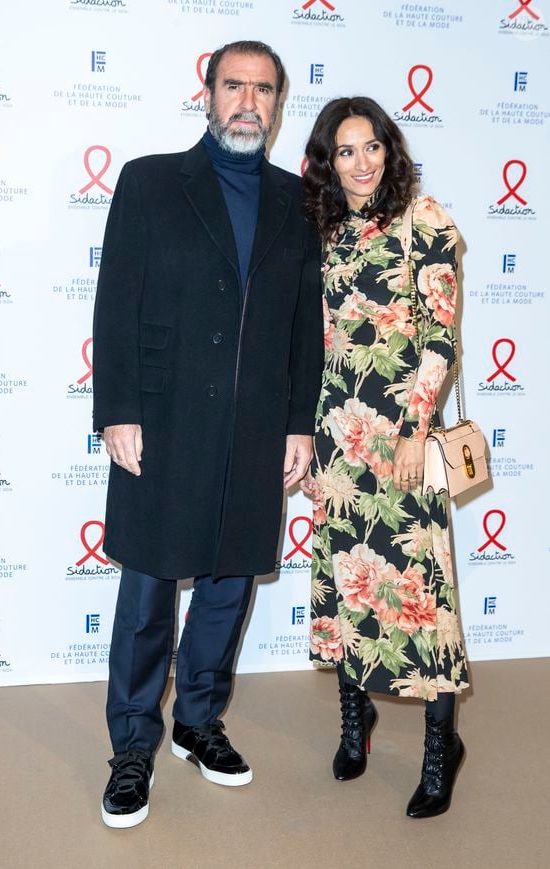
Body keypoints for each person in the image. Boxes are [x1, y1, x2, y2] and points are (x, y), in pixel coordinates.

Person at [92, 40, 323, 828]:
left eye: (263, 89)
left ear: (278, 102)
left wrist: (300, 423)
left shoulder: (298, 200)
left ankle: (197, 720)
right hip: (161, 421)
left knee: (227, 585)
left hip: (257, 425)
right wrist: (116, 409)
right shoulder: (151, 180)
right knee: (151, 588)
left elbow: (302, 327)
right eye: (235, 86)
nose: (248, 103)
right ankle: (131, 744)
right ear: (209, 93)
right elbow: (115, 302)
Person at [301, 97, 468, 818]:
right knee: (347, 579)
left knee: (421, 592)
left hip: (402, 439)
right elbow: (313, 342)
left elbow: (441, 336)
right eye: (345, 151)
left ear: (389, 150)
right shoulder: (323, 230)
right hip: (339, 438)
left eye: (371, 147)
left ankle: (441, 746)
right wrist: (305, 439)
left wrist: (413, 426)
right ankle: (354, 718)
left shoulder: (422, 219)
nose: (361, 162)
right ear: (328, 162)